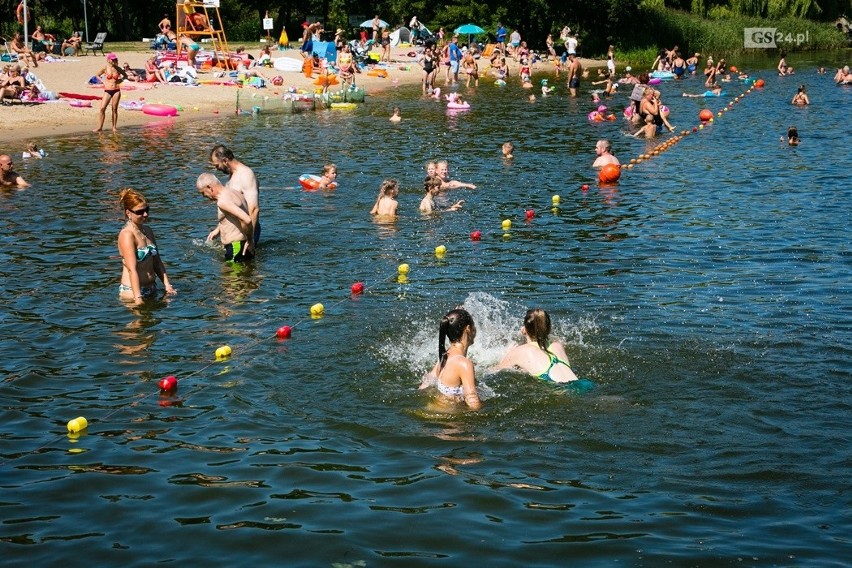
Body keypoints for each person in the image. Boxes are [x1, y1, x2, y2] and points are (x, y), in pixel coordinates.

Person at [117, 188, 177, 304]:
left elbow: (157, 262)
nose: (145, 214)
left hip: (152, 289)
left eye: (147, 210)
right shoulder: (127, 235)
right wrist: (138, 298)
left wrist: (167, 285)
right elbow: (131, 269)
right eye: (139, 212)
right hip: (133, 293)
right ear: (128, 213)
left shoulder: (147, 230)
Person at [419, 308, 481, 410]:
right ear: (468, 329)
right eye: (474, 325)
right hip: (451, 421)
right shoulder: (464, 363)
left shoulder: (445, 355)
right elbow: (472, 399)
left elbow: (426, 382)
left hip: (433, 410)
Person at [496, 308, 578, 383]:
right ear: (549, 329)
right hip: (582, 385)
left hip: (561, 389)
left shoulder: (521, 350)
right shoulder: (557, 345)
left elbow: (494, 370)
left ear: (523, 329)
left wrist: (507, 354)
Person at [196, 173, 254, 263]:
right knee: (244, 275)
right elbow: (233, 215)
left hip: (236, 247)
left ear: (209, 187)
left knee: (230, 276)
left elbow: (247, 220)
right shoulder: (233, 192)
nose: (204, 197)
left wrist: (250, 241)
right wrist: (218, 229)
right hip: (241, 246)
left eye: (203, 193)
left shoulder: (223, 201)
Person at [210, 145, 260, 245]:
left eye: (217, 165)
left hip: (247, 233)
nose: (217, 169)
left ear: (224, 161)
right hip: (237, 232)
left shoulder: (246, 175)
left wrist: (250, 239)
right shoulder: (232, 176)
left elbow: (254, 209)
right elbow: (232, 208)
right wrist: (218, 229)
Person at [93, 53, 128, 132]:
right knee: (102, 108)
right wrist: (103, 81)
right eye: (113, 59)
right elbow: (97, 75)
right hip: (108, 90)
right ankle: (100, 127)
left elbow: (125, 76)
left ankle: (114, 127)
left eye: (115, 59)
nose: (114, 60)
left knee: (114, 109)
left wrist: (120, 80)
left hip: (116, 90)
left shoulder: (117, 68)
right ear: (108, 60)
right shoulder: (105, 68)